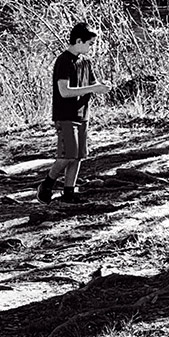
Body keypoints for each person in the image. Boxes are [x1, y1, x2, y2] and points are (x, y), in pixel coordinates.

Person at [43, 22, 112, 202]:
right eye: (90, 43)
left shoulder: (86, 61)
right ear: (79, 41)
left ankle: (69, 192)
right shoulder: (63, 61)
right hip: (65, 115)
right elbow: (64, 91)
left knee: (79, 156)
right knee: (67, 155)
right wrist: (91, 89)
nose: (92, 47)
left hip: (83, 114)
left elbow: (92, 84)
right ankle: (47, 183)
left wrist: (102, 87)